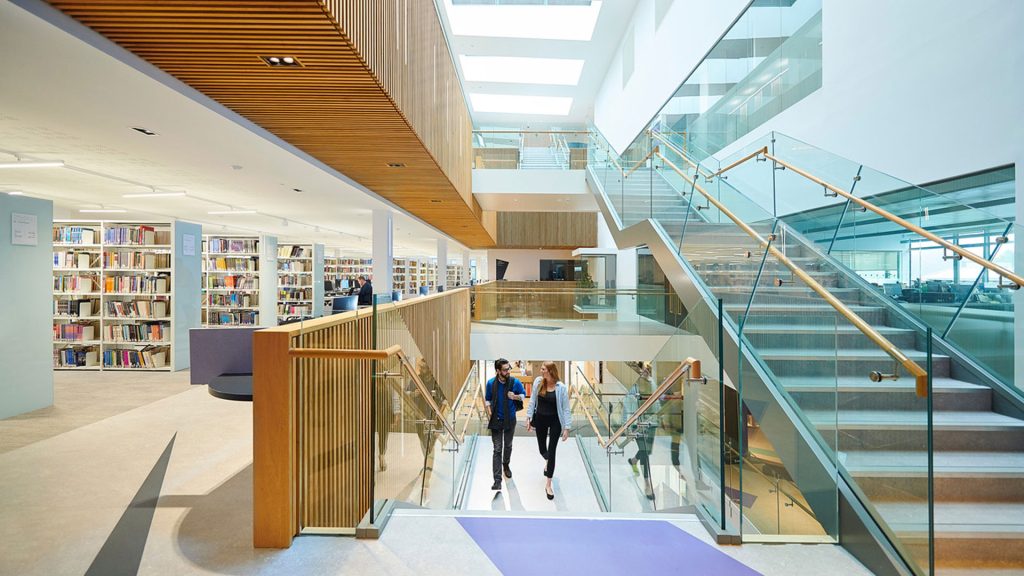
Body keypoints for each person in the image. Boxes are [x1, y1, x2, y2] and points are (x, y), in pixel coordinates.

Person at [526, 361, 572, 500]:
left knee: (552, 452)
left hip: (555, 422)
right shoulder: (538, 382)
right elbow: (532, 400)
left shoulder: (561, 387)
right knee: (542, 449)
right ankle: (548, 461)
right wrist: (528, 417)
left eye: (543, 369)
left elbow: (565, 408)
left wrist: (567, 428)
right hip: (540, 419)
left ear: (551, 371)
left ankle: (548, 484)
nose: (541, 371)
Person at [485, 358, 526, 491]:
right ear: (498, 371)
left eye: (509, 369)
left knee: (507, 445)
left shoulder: (515, 382)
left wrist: (514, 397)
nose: (508, 371)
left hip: (510, 419)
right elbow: (487, 400)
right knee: (497, 449)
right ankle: (497, 480)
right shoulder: (491, 383)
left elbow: (523, 395)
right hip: (496, 420)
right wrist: (490, 413)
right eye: (505, 369)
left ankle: (506, 464)